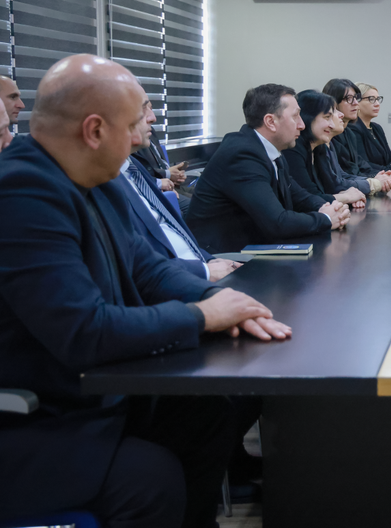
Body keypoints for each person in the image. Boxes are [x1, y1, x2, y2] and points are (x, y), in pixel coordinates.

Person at [0, 54, 292, 528]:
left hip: (95, 396)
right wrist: (203, 317)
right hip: (40, 417)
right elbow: (84, 330)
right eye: (134, 124)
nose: (141, 138)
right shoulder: (21, 195)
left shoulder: (99, 176)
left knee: (212, 411)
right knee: (151, 480)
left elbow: (149, 269)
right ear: (95, 130)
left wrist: (219, 301)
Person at [186, 83, 350, 253]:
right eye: (295, 117)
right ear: (271, 122)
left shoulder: (270, 150)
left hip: (255, 246)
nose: (302, 125)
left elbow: (298, 196)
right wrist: (326, 218)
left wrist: (329, 207)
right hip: (224, 257)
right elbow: (278, 222)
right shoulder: (243, 155)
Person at [114, 91, 241, 282]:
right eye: (143, 109)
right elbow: (137, 267)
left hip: (196, 272)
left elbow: (177, 236)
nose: (153, 117)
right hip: (176, 284)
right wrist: (205, 272)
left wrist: (211, 262)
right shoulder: (101, 186)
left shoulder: (133, 167)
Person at [281, 89, 367, 209]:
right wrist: (345, 197)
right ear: (307, 118)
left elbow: (331, 186)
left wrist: (351, 196)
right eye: (327, 117)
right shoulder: (293, 149)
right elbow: (308, 198)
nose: (332, 125)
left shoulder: (319, 147)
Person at [322, 78, 391, 187]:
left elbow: (361, 166)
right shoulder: (332, 136)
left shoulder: (349, 133)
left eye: (356, 98)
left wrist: (387, 174)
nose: (356, 103)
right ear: (333, 103)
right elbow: (346, 173)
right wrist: (377, 179)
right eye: (349, 99)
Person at [348, 82, 391, 178]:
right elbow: (363, 165)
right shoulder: (352, 129)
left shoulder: (377, 128)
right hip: (371, 178)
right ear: (357, 102)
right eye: (371, 99)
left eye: (378, 99)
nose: (377, 104)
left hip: (387, 177)